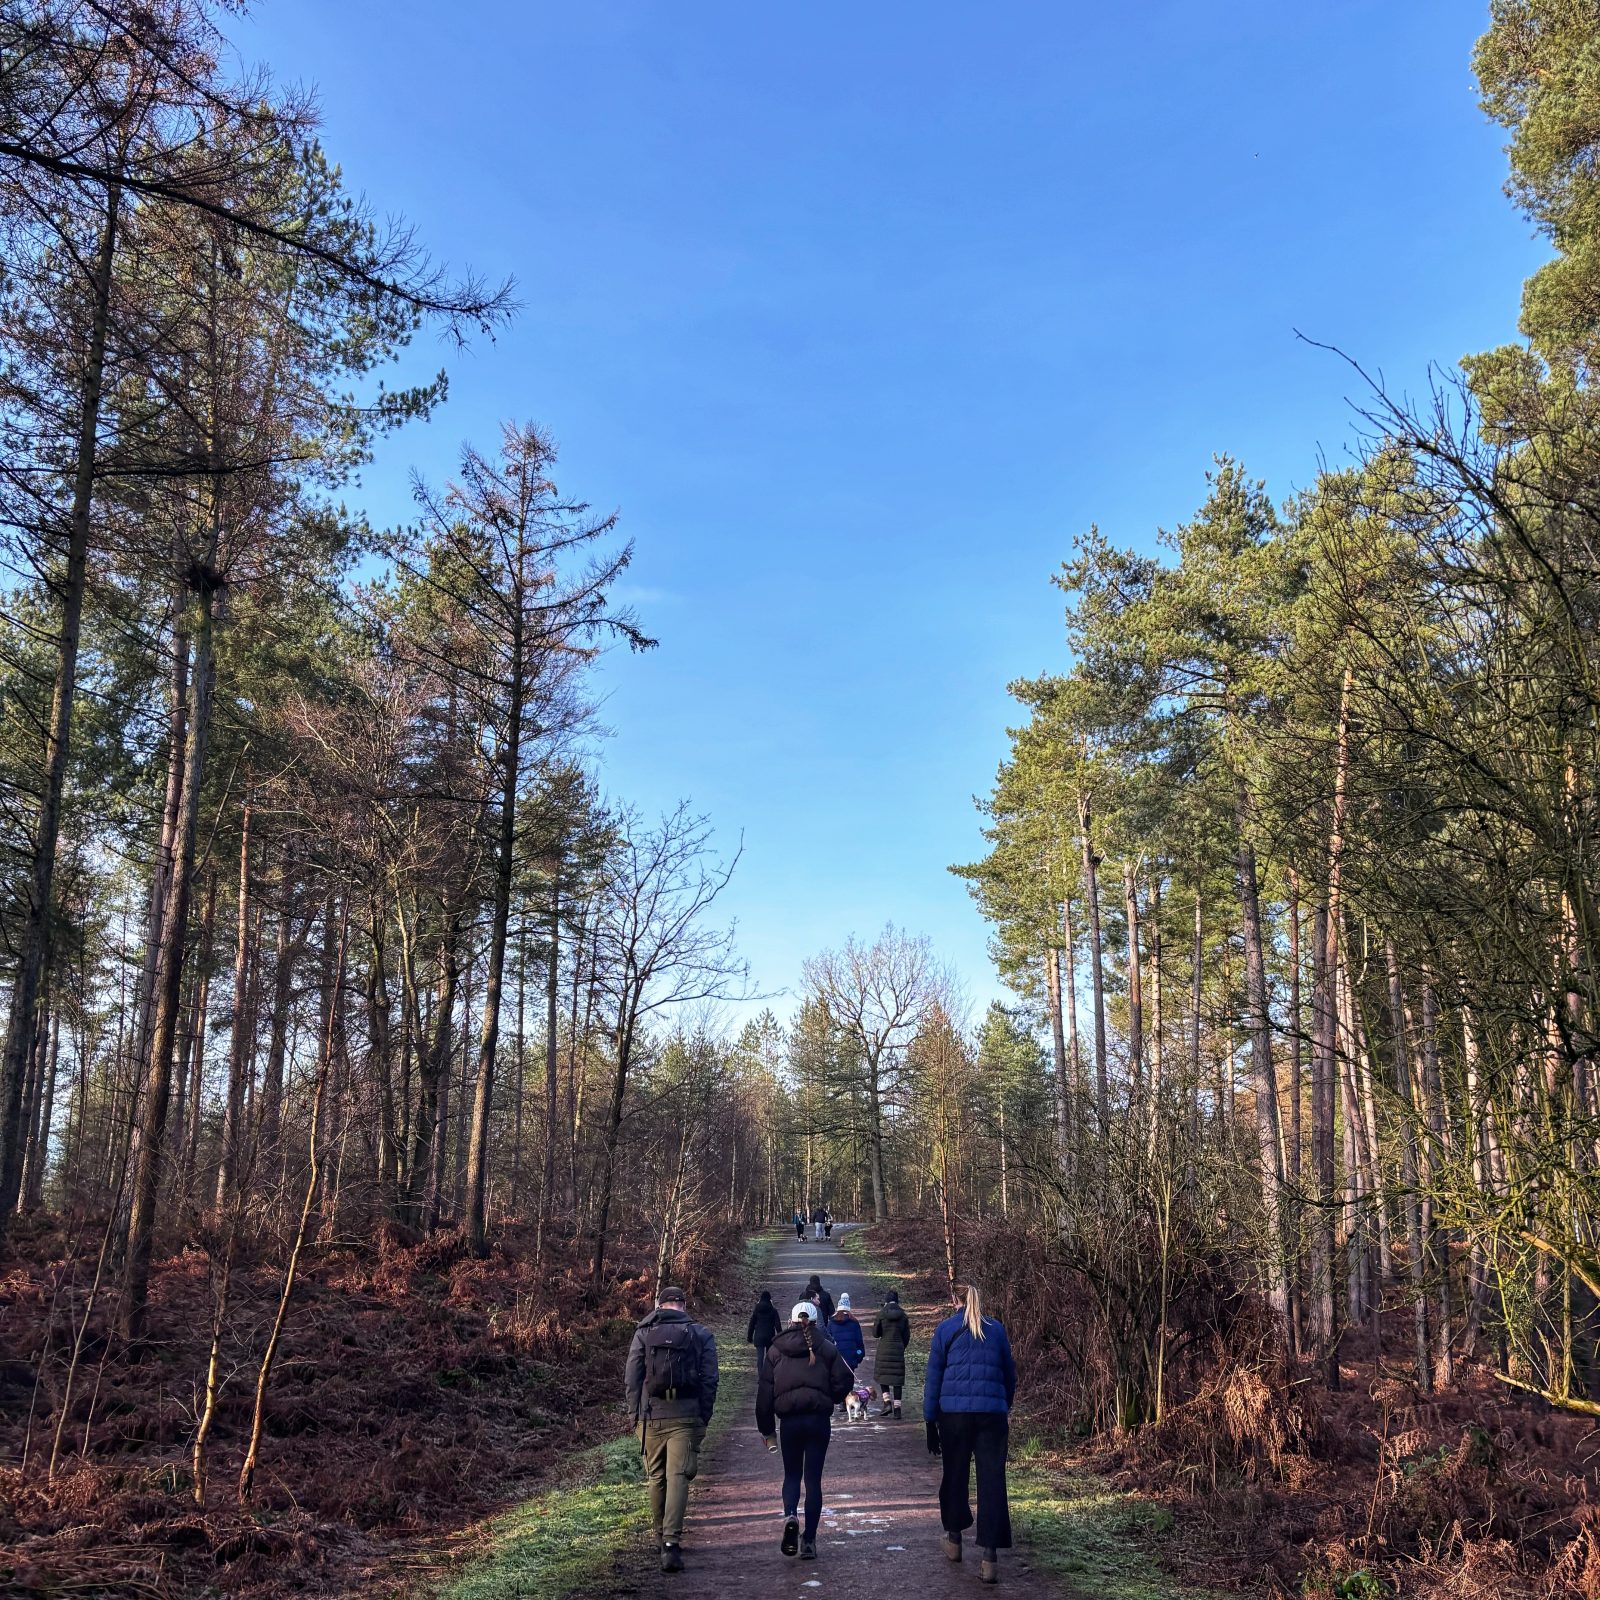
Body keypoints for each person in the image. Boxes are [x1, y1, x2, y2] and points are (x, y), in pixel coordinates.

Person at [924, 1282, 1015, 1586]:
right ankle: (989, 1558)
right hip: (992, 1416)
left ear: (955, 1300)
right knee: (991, 1481)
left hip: (955, 1416)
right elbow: (1008, 1374)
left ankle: (953, 1540)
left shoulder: (945, 1330)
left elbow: (934, 1377)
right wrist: (1003, 1405)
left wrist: (929, 1420)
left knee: (955, 1474)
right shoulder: (997, 1331)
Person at [624, 1285, 719, 1574]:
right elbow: (710, 1380)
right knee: (677, 1477)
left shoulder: (643, 1333)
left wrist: (634, 1417)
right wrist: (703, 1417)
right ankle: (670, 1544)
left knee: (656, 1478)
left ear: (659, 1304)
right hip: (686, 1415)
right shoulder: (701, 1334)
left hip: (651, 1416)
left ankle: (659, 1535)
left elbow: (631, 1379)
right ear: (683, 1305)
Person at [757, 1300, 853, 1561]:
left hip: (789, 1423)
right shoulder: (826, 1347)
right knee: (813, 1481)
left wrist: (767, 1430)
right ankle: (809, 1540)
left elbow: (764, 1393)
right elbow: (846, 1379)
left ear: (790, 1321)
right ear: (815, 1321)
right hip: (818, 1421)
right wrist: (832, 1397)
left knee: (791, 1475)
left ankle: (790, 1515)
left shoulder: (776, 1350)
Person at [873, 1289, 911, 1418]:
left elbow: (875, 1333)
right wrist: (901, 1346)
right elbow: (906, 1336)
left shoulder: (882, 1314)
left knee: (883, 1376)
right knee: (897, 1380)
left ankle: (887, 1402)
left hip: (884, 1348)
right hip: (898, 1348)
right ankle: (897, 1409)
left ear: (886, 1300)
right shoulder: (903, 1315)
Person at [828, 1293, 866, 1410]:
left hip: (837, 1357)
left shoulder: (831, 1323)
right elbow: (859, 1342)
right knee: (849, 1379)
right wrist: (859, 1355)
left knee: (838, 1378)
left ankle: (840, 1401)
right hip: (851, 1356)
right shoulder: (854, 1323)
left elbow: (828, 1340)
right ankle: (847, 1400)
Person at [747, 1289, 781, 1367]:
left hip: (758, 1337)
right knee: (769, 1358)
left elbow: (751, 1324)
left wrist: (749, 1337)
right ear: (770, 1299)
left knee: (760, 1358)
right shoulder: (773, 1310)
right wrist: (780, 1337)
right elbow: (778, 1325)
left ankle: (760, 1376)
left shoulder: (757, 1310)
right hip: (770, 1336)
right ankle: (768, 1375)